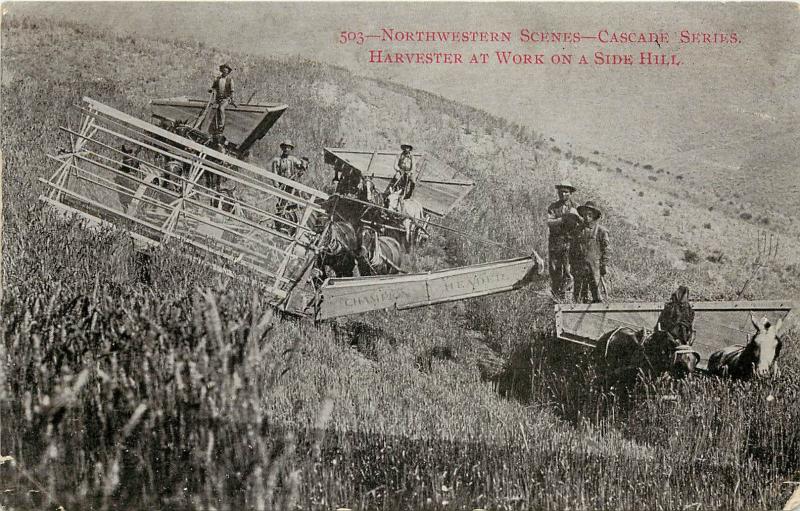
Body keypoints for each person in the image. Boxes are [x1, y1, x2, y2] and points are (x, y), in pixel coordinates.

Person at [570, 201, 610, 303]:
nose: (587, 217)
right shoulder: (577, 230)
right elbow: (573, 249)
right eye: (584, 215)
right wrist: (572, 265)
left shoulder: (601, 231)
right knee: (578, 294)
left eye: (590, 215)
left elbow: (606, 250)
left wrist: (604, 265)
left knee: (597, 293)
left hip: (595, 267)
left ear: (594, 216)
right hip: (580, 267)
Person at [546, 180, 579, 300]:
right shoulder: (553, 207)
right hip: (555, 242)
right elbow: (550, 222)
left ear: (570, 193)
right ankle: (556, 296)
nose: (563, 194)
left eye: (566, 192)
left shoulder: (575, 206)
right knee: (555, 269)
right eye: (561, 192)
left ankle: (567, 297)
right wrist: (563, 219)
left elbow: (581, 223)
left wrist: (576, 217)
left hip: (570, 242)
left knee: (568, 269)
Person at [209, 63, 234, 135]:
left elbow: (232, 91)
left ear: (228, 72)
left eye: (226, 70)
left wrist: (231, 99)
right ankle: (214, 128)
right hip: (218, 99)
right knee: (213, 108)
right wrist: (211, 90)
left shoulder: (230, 80)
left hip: (226, 99)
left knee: (221, 108)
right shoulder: (217, 79)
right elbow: (213, 87)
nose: (225, 71)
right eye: (224, 69)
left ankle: (221, 126)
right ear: (222, 70)